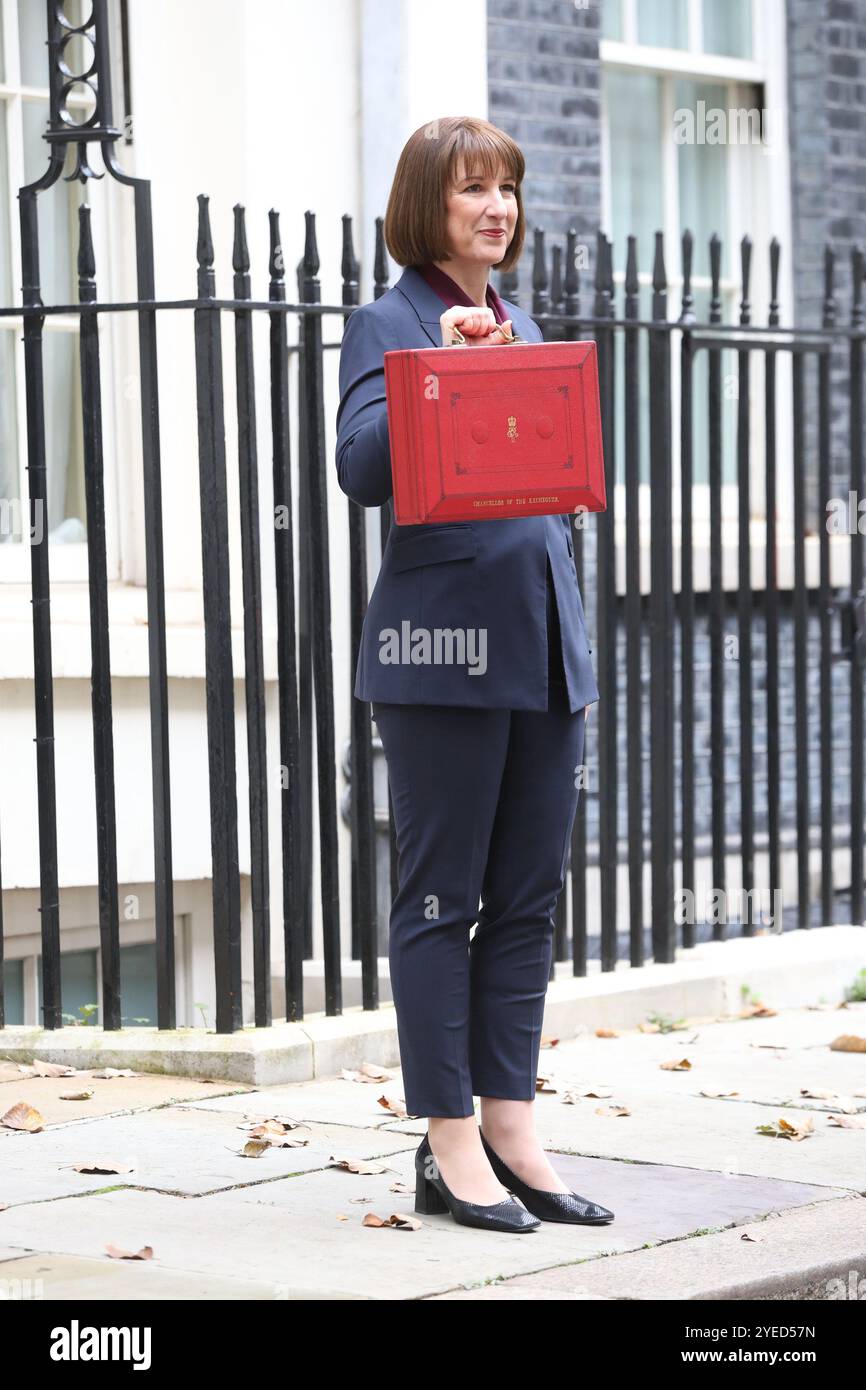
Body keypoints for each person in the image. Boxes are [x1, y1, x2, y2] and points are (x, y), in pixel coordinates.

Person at [335, 115, 613, 1234]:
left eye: (504, 186)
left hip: (542, 653)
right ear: (425, 206)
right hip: (439, 660)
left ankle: (511, 1126)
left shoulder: (525, 320)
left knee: (527, 901)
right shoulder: (387, 319)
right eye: (469, 191)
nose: (493, 206)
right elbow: (360, 467)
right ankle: (448, 1144)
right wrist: (436, 368)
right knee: (440, 900)